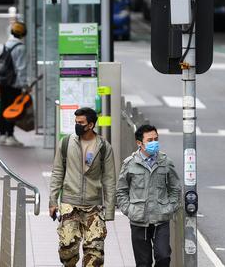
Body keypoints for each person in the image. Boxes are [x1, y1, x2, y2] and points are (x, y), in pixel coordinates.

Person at [49, 107, 116, 267]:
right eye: (76, 122)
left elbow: (109, 179)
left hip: (93, 205)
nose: (77, 125)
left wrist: (110, 210)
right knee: (67, 249)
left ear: (91, 125)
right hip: (69, 204)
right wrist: (52, 201)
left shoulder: (104, 147)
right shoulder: (66, 143)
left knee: (95, 253)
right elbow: (57, 172)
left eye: (81, 123)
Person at [116, 124, 181, 267]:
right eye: (150, 140)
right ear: (139, 143)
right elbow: (121, 190)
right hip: (139, 220)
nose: (154, 143)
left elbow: (175, 188)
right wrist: (129, 210)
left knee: (163, 257)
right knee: (143, 263)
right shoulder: (129, 164)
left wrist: (171, 207)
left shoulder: (166, 162)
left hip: (161, 219)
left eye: (156, 139)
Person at [0, 21, 27, 147]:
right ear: (23, 34)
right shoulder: (20, 48)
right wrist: (24, 85)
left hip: (3, 81)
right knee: (13, 108)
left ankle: (2, 135)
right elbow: (21, 68)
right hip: (14, 83)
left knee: (3, 106)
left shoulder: (4, 45)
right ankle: (10, 135)